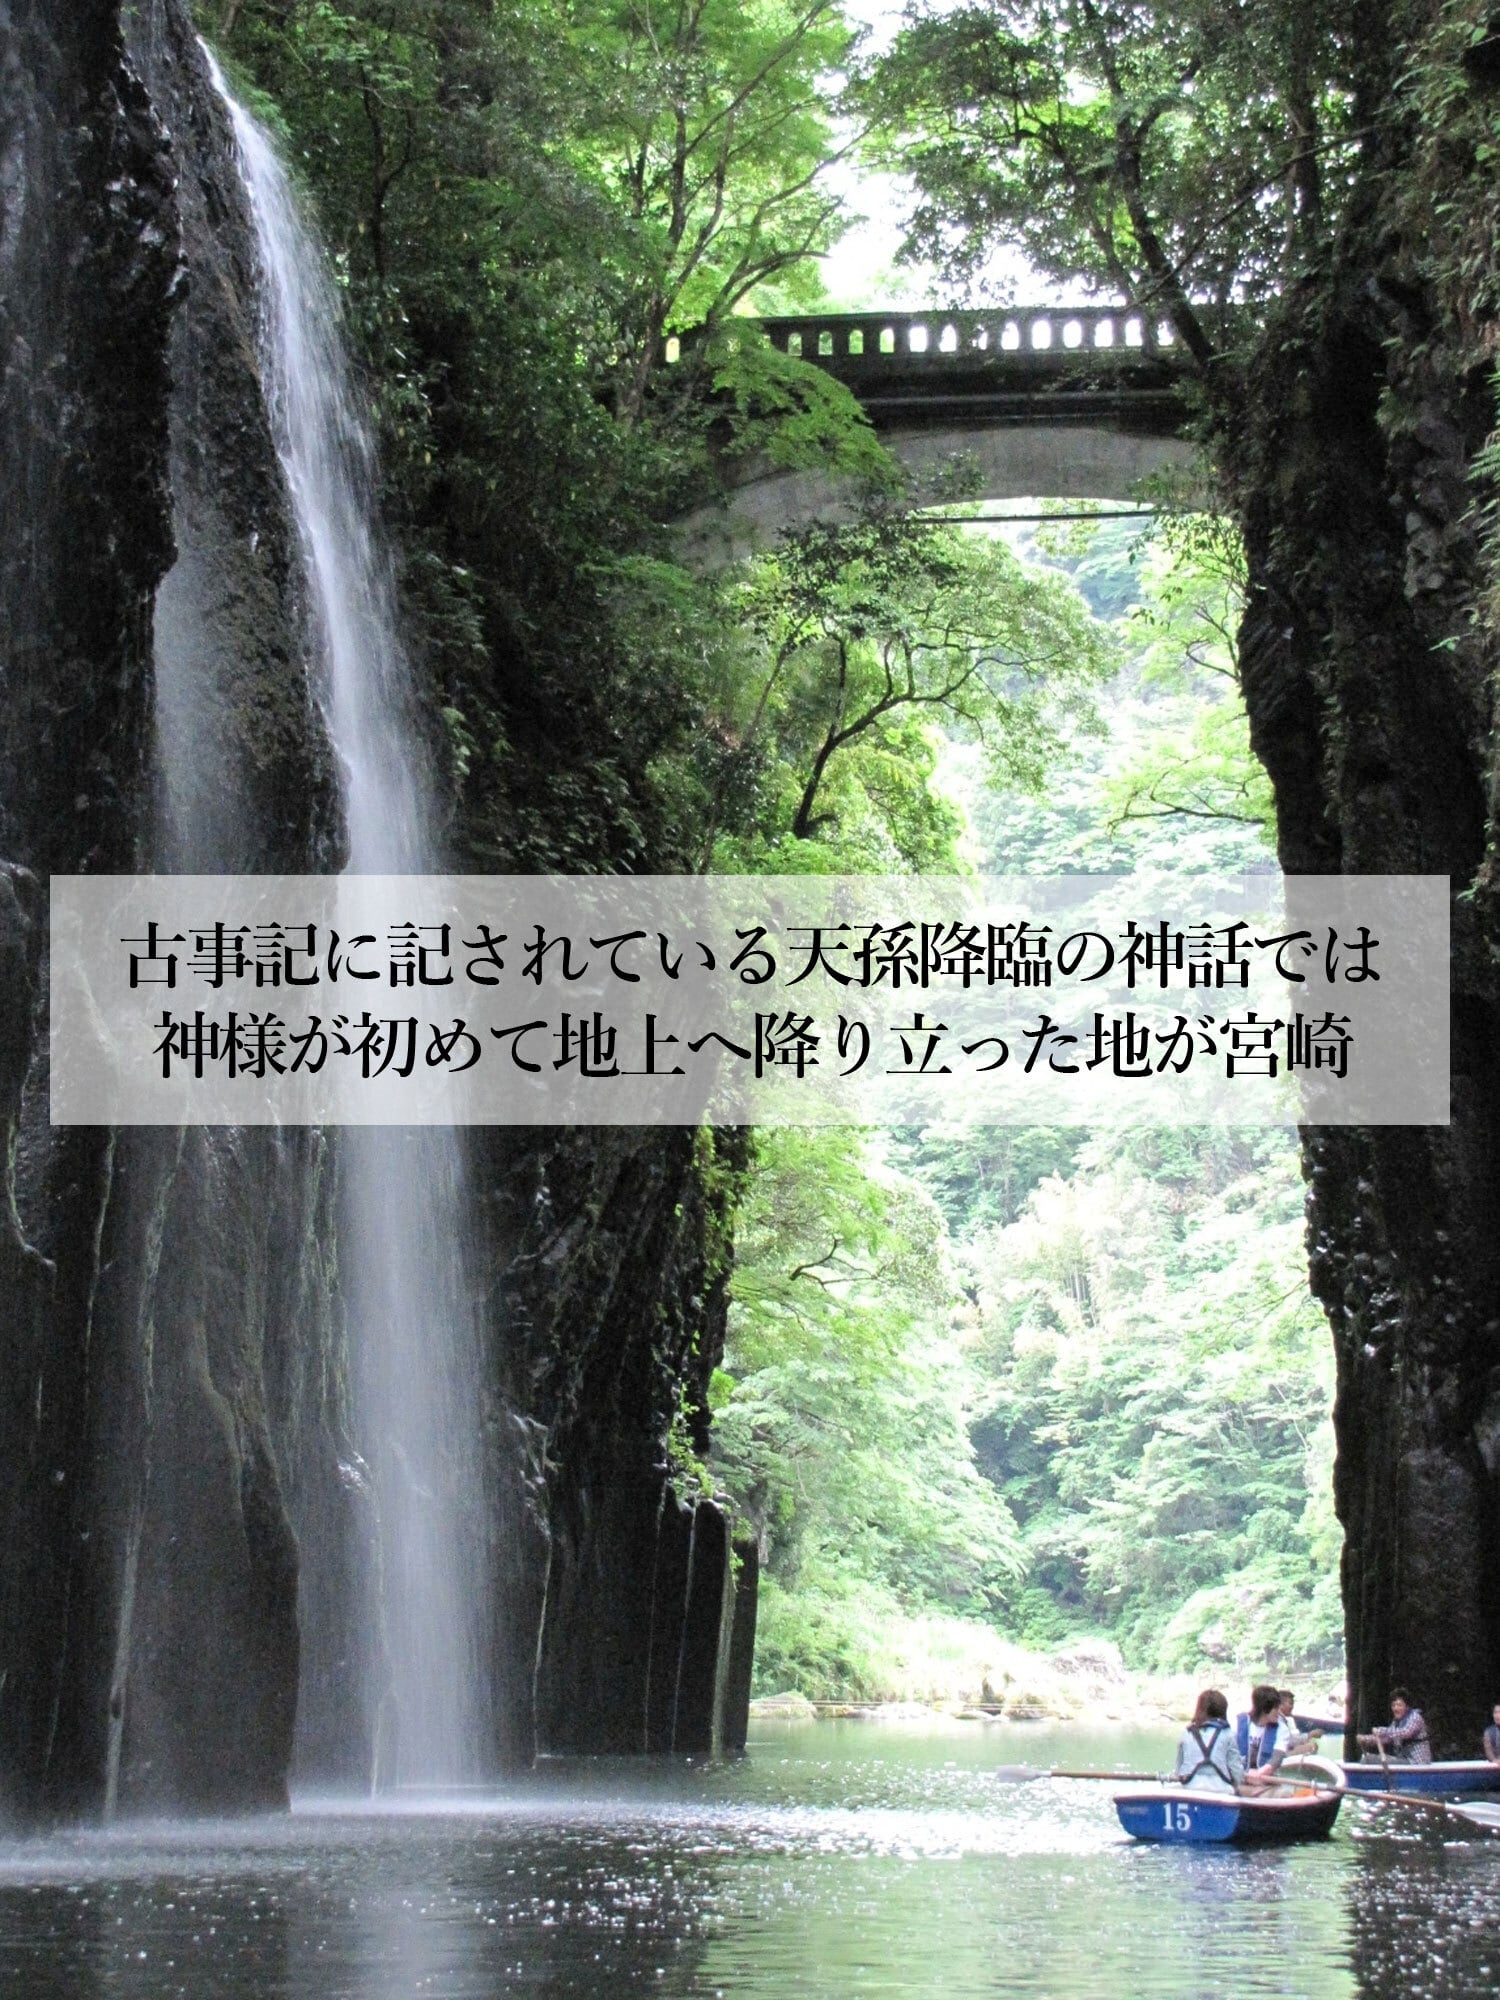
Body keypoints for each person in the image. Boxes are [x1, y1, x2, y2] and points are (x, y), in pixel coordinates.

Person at [1173, 1689, 1246, 1791]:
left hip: (1189, 1788)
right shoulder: (1228, 1734)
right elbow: (1236, 1771)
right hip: (1221, 1790)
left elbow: (1178, 1770)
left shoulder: (1187, 1733)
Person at [1357, 1687, 1432, 1763]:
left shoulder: (1415, 1717)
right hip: (1404, 1759)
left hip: (1416, 1761)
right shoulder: (1396, 1722)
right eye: (1393, 1705)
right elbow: (1387, 1738)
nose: (1396, 1708)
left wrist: (1381, 1730)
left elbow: (1406, 1733)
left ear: (1407, 1707)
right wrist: (1366, 1739)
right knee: (1367, 1759)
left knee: (1372, 1760)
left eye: (1399, 1705)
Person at [1235, 1684, 1298, 1773]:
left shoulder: (1281, 1729)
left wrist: (1259, 1774)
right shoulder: (1237, 1723)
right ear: (1265, 1708)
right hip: (1238, 1775)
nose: (1279, 1712)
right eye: (1276, 1708)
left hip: (1264, 1777)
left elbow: (1277, 1756)